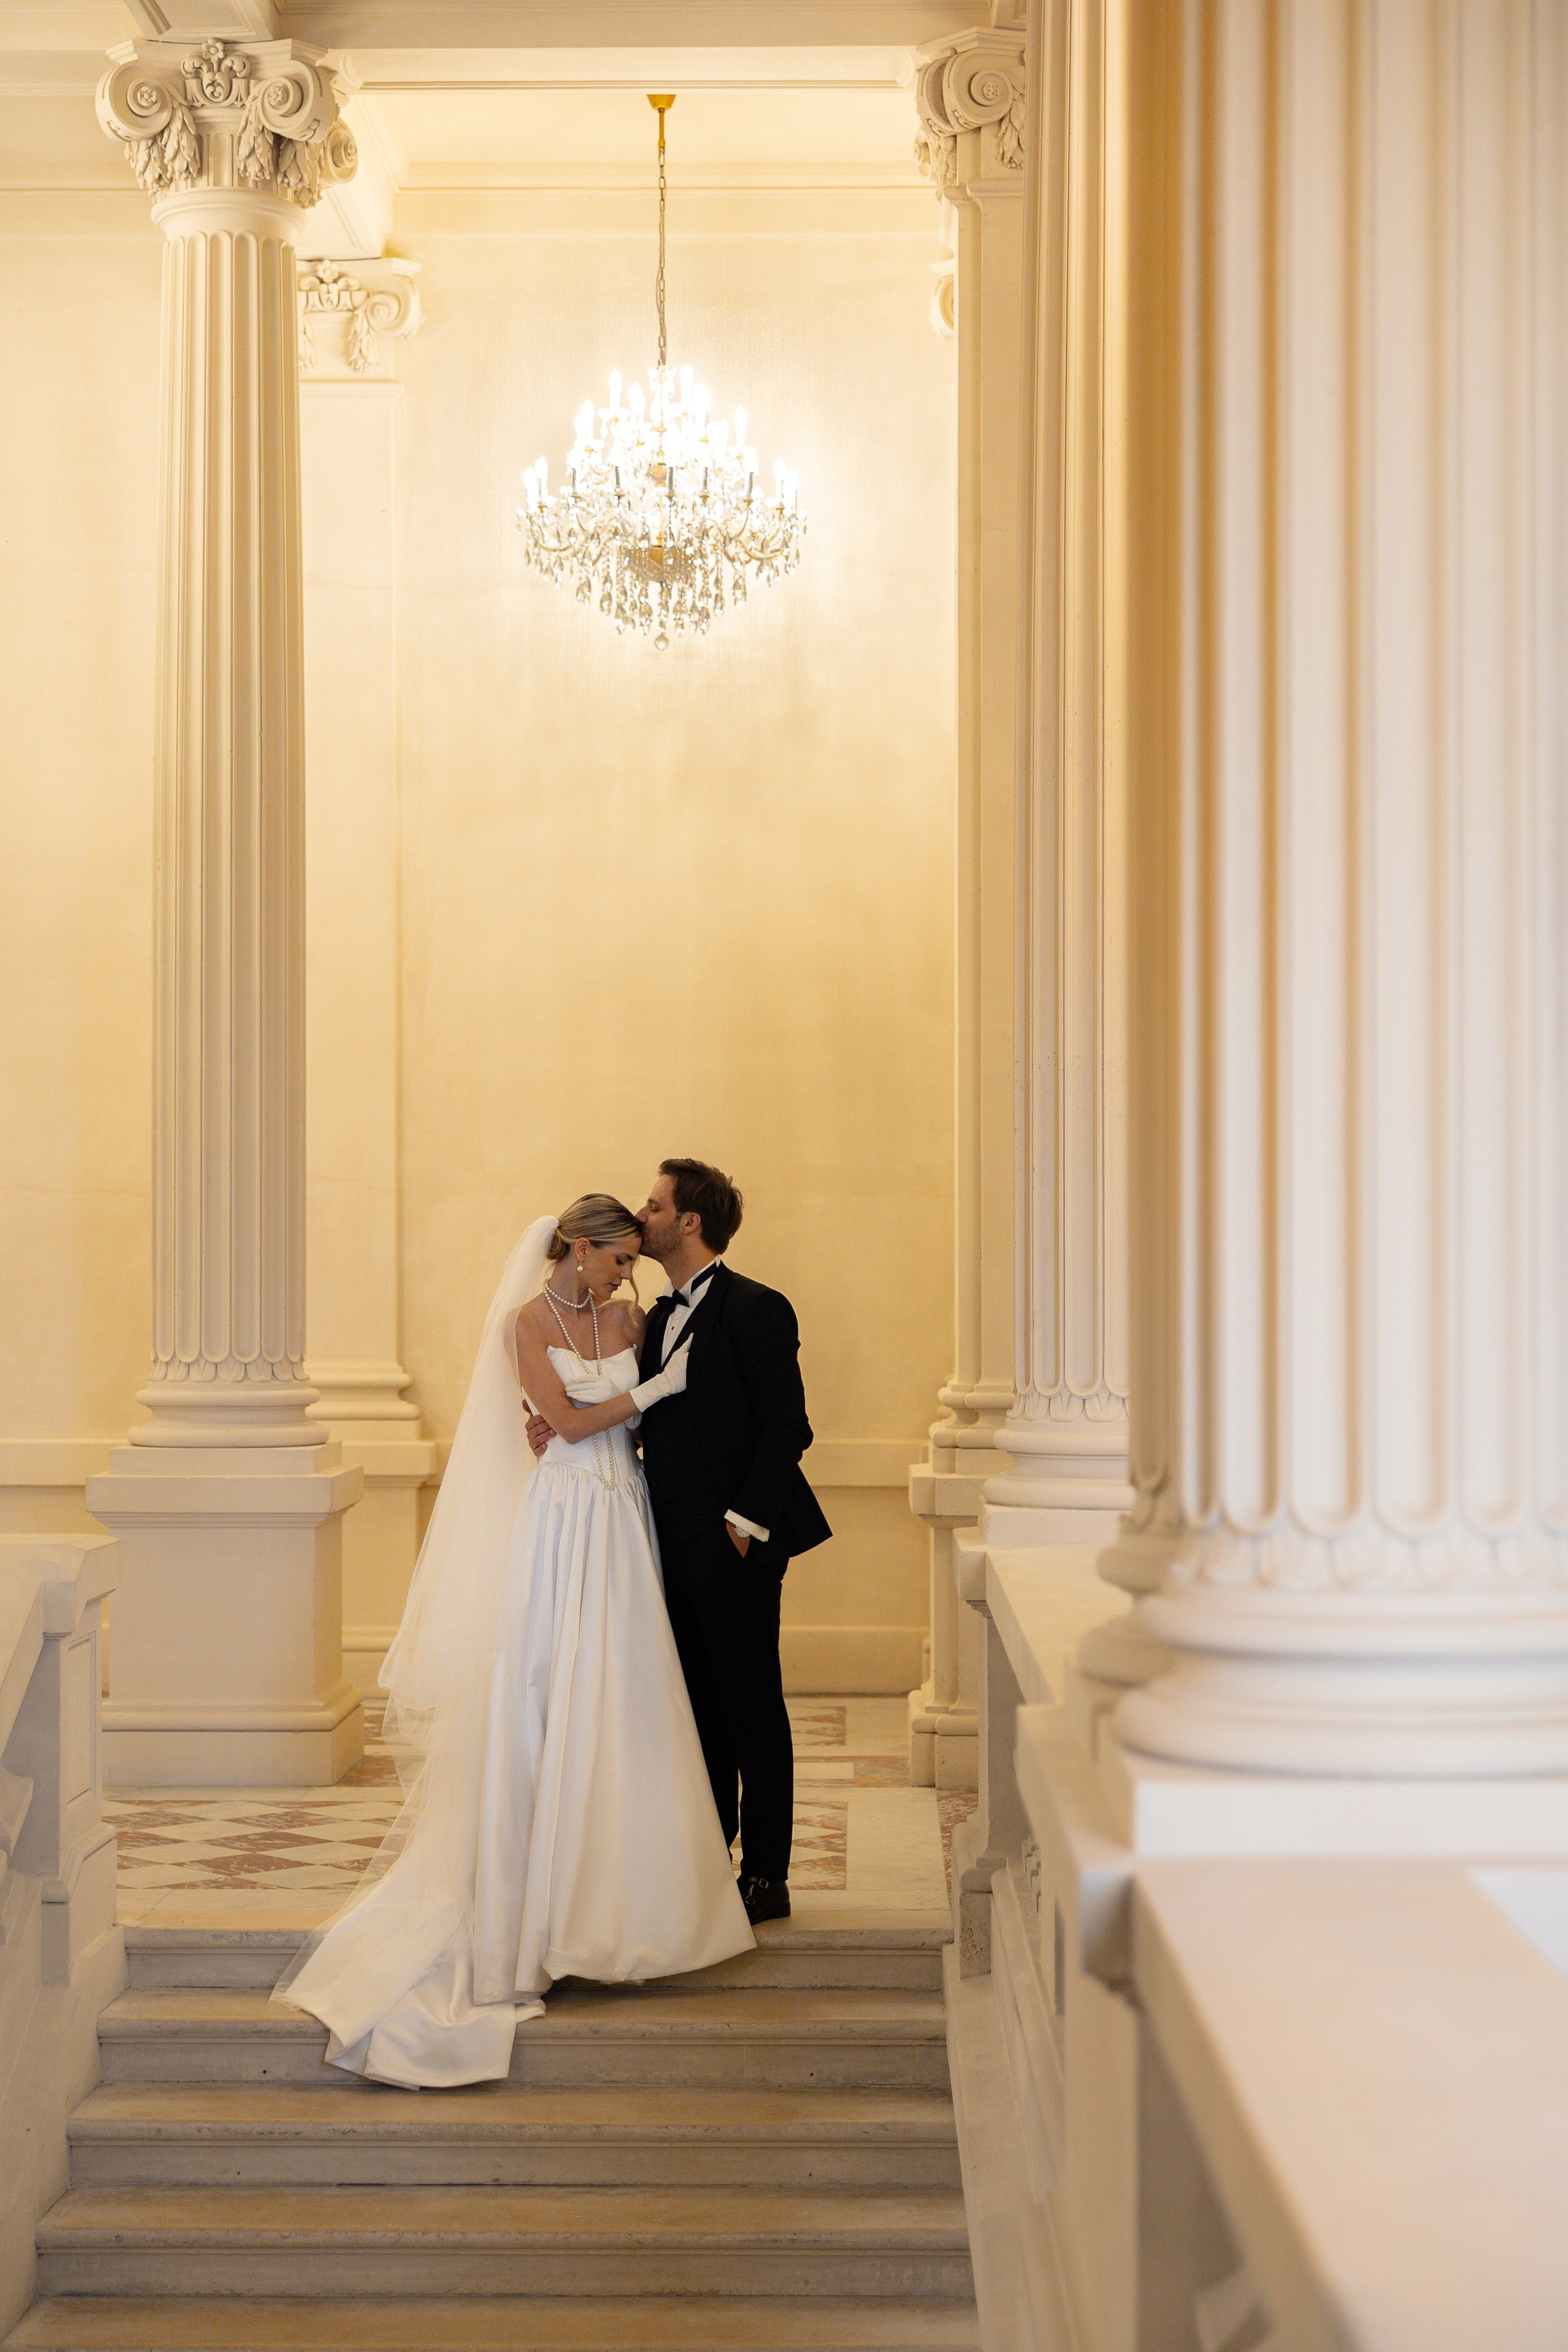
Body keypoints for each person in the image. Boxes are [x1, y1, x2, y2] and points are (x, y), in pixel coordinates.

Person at [274, 1196, 753, 2089]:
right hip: (564, 1513)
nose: (626, 1272)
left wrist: (646, 1409)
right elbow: (566, 1426)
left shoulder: (633, 1317)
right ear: (579, 1248)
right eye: (616, 1258)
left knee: (621, 1695)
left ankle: (616, 1909)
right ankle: (533, 1912)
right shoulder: (524, 1323)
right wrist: (648, 1391)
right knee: (547, 1690)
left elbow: (642, 1429)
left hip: (622, 1516)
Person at [529, 1159, 831, 1924]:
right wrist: (563, 1428)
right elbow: (649, 1421)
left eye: (655, 1205)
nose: (644, 1214)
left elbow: (786, 1428)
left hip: (735, 1542)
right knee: (695, 1705)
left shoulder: (758, 1308)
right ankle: (707, 1854)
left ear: (688, 1222)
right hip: (658, 1538)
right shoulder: (656, 1318)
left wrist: (741, 1525)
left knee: (751, 1702)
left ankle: (766, 1876)